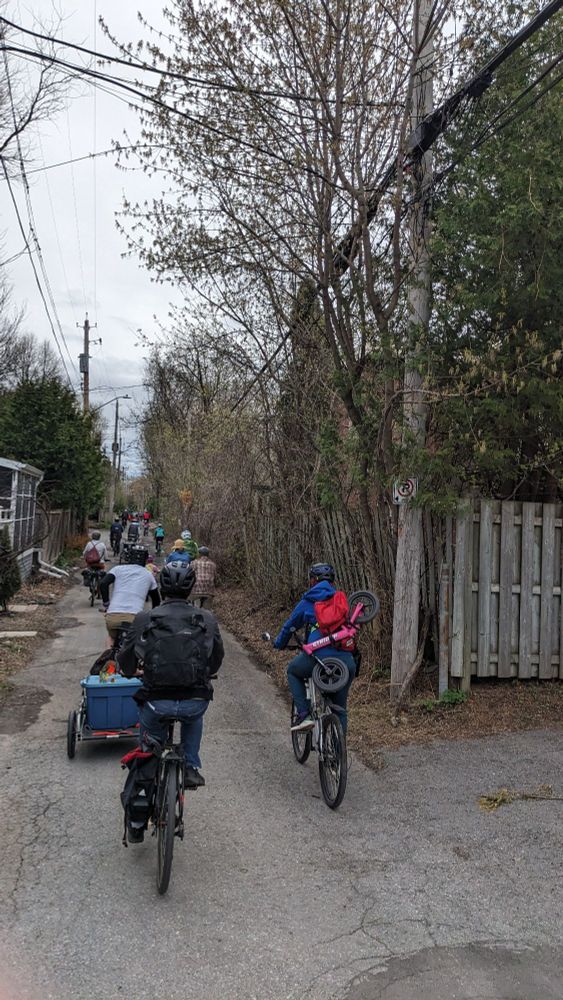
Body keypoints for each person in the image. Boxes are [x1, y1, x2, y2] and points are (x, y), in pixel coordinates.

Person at [117, 561, 224, 793]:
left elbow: (126, 656)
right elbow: (216, 658)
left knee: (149, 733)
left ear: (162, 588)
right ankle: (191, 766)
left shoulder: (145, 618)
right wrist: (206, 672)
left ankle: (147, 769)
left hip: (156, 701)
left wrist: (129, 670)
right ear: (191, 588)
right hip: (194, 701)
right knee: (194, 716)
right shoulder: (207, 618)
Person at [273, 562, 357, 733]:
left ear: (312, 581)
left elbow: (289, 626)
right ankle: (339, 751)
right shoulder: (340, 601)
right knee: (340, 707)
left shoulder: (308, 602)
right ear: (332, 582)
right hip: (346, 661)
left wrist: (278, 643)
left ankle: (304, 714)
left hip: (318, 658)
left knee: (293, 671)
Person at [99, 546, 160, 641]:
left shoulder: (117, 569)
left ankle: (110, 654)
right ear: (145, 559)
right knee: (135, 644)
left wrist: (106, 604)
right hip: (135, 619)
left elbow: (103, 583)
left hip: (113, 616)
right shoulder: (149, 575)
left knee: (111, 639)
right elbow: (156, 600)